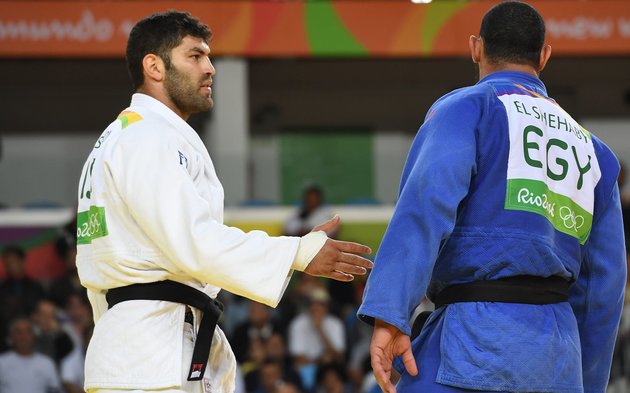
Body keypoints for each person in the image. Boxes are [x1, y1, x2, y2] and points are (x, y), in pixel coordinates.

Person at [75, 10, 372, 393]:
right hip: (149, 355)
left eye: (209, 57)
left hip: (145, 345)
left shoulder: (134, 134)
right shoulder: (145, 137)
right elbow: (194, 241)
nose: (210, 68)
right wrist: (297, 252)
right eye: (195, 56)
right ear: (154, 66)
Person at [357, 2, 626, 393]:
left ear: (476, 48)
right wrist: (585, 381)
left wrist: (390, 315)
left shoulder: (467, 109)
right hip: (558, 357)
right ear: (545, 56)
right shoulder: (595, 152)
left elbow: (425, 209)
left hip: (472, 344)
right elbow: (605, 284)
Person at [0, 318, 63, 393]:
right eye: (19, 332)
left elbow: (55, 389)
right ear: (11, 337)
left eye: (28, 332)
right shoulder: (1, 362)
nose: (23, 336)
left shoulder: (47, 363)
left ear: (34, 336)